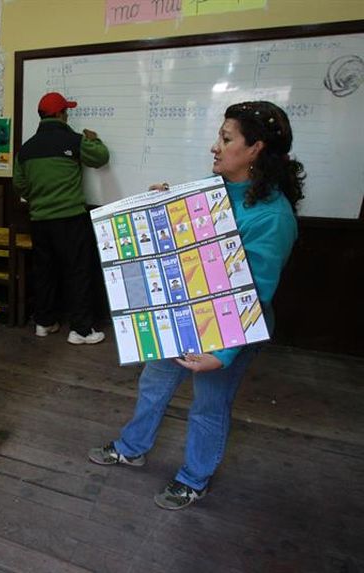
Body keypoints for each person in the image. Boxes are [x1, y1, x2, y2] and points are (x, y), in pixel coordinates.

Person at [88, 101, 304, 510]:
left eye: (226, 139)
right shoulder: (216, 187)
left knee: (209, 403)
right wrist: (162, 208)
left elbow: (254, 293)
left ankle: (193, 478)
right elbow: (192, 248)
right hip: (185, 315)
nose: (214, 147)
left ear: (255, 148)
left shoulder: (273, 217)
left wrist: (221, 354)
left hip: (231, 332)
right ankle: (132, 447)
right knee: (154, 382)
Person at [14, 91, 110, 345]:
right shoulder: (75, 140)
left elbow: (20, 185)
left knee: (44, 271)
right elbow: (101, 158)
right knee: (78, 272)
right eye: (66, 111)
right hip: (70, 218)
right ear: (59, 114)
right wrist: (95, 140)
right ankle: (81, 330)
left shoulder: (26, 149)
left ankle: (44, 323)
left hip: (39, 221)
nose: (68, 115)